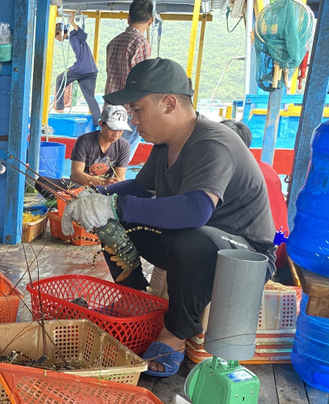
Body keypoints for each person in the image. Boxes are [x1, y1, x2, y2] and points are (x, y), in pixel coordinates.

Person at [62, 58, 277, 377]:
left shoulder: (211, 142)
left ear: (169, 103)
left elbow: (196, 210)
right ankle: (135, 302)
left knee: (191, 236)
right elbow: (138, 186)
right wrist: (93, 199)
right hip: (193, 246)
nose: (133, 121)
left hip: (244, 257)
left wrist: (117, 205)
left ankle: (174, 336)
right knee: (113, 221)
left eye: (138, 110)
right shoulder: (164, 145)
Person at [36, 104, 132, 199]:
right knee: (42, 182)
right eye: (113, 129)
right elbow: (76, 174)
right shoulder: (85, 141)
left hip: (105, 191)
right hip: (81, 187)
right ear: (101, 124)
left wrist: (110, 186)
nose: (116, 134)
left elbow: (120, 177)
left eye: (120, 130)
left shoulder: (124, 145)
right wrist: (102, 183)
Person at [105, 0, 153, 158]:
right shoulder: (141, 44)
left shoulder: (114, 42)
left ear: (128, 18)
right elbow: (142, 81)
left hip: (110, 107)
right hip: (129, 111)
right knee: (120, 161)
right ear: (151, 20)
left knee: (105, 156)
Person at [53, 12, 101, 128]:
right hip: (91, 70)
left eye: (56, 36)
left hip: (82, 68)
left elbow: (83, 34)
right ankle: (98, 123)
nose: (57, 38)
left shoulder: (74, 35)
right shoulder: (72, 38)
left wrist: (72, 22)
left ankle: (59, 108)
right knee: (90, 97)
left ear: (60, 32)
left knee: (60, 79)